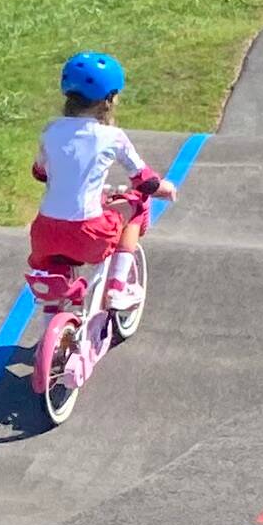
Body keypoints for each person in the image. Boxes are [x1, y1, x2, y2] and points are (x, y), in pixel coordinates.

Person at [32, 48, 163, 333]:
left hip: (45, 233)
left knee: (55, 274)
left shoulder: (50, 130)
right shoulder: (112, 136)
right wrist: (163, 187)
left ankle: (50, 325)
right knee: (136, 205)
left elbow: (40, 172)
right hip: (88, 234)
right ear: (109, 99)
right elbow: (145, 180)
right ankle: (117, 287)